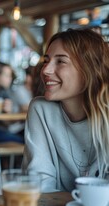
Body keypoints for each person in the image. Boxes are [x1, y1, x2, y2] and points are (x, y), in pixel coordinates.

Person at [22, 28, 109, 193]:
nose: (45, 70)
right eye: (46, 61)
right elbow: (39, 184)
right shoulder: (41, 110)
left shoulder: (106, 113)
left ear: (89, 69)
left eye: (60, 61)